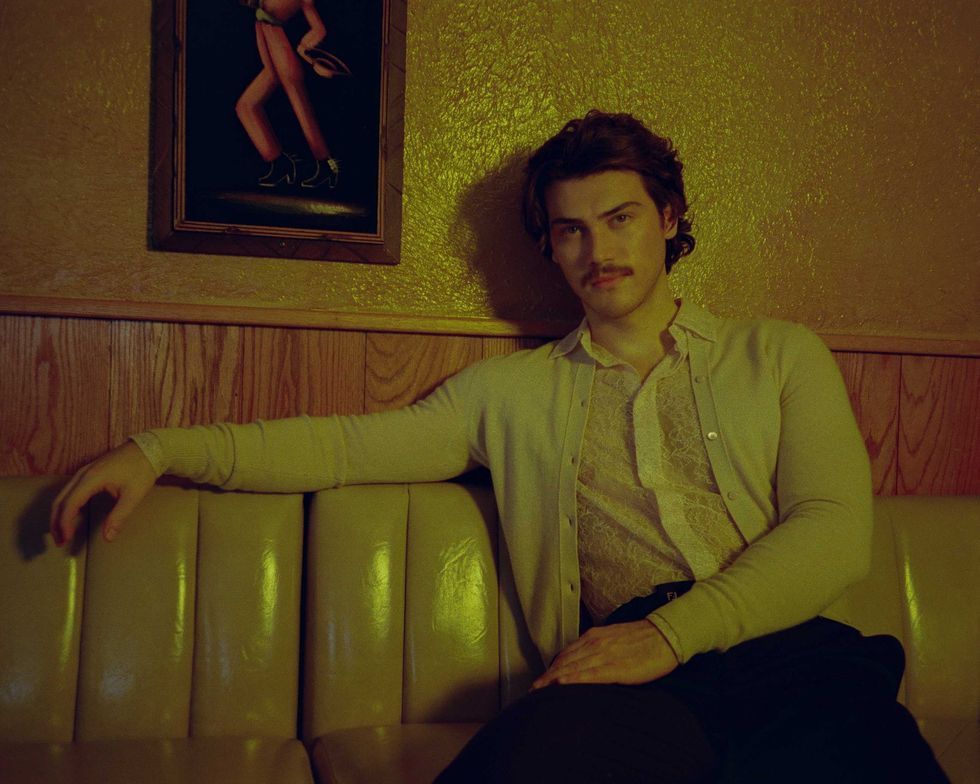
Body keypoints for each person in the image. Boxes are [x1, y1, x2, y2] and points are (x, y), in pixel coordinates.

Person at [50, 111, 947, 783]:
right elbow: (344, 447)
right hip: (626, 679)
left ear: (670, 218)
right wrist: (159, 448)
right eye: (571, 229)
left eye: (621, 218)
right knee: (523, 761)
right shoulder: (511, 394)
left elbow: (835, 531)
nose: (598, 248)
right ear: (549, 247)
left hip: (789, 653)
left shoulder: (779, 355)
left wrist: (670, 635)